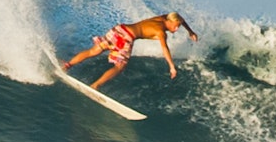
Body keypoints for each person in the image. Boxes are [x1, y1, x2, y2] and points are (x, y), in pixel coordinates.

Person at [63, 12, 199, 90]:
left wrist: (190, 31)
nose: (176, 29)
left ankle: (67, 65)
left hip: (119, 29)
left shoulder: (162, 18)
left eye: (179, 26)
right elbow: (165, 48)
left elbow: (180, 18)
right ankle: (95, 85)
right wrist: (171, 67)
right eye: (176, 26)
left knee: (94, 51)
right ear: (170, 22)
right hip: (126, 37)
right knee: (120, 66)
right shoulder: (161, 32)